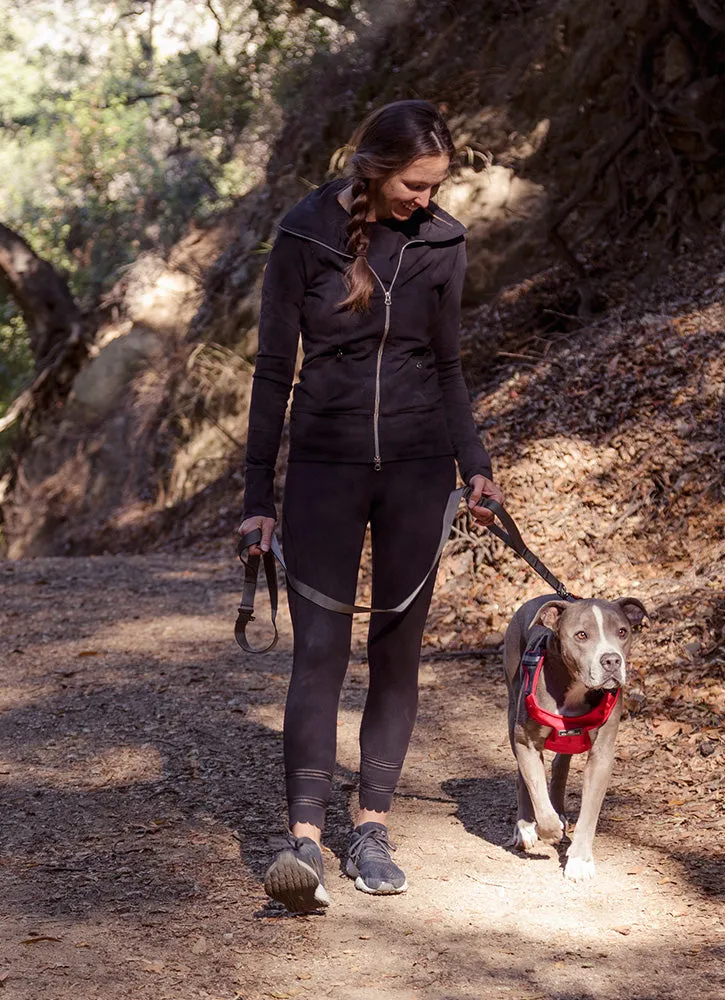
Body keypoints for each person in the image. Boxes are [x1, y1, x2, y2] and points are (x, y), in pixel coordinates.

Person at [237, 99, 502, 913]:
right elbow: (274, 369)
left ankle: (373, 826)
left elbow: (450, 366)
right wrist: (257, 498)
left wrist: (477, 466)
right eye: (415, 185)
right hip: (324, 467)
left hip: (421, 471)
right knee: (318, 651)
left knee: (397, 652)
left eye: (435, 187)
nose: (426, 200)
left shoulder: (444, 242)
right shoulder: (305, 235)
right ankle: (306, 841)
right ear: (375, 167)